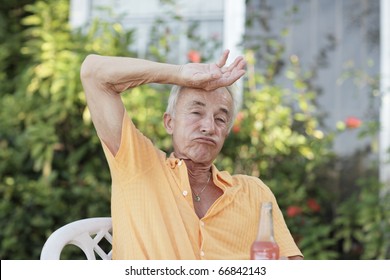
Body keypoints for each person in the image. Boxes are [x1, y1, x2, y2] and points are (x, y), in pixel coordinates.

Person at [80, 49, 303, 260]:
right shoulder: (137, 164)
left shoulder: (253, 193)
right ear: (170, 122)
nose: (208, 126)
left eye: (220, 119)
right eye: (196, 112)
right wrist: (179, 74)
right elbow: (93, 73)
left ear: (225, 132)